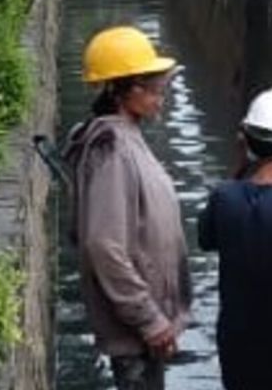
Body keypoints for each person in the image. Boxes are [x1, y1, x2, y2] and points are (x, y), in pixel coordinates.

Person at [64, 26, 189, 390]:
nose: (160, 96)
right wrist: (149, 318)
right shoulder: (112, 150)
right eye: (151, 87)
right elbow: (104, 245)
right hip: (137, 329)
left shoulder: (125, 138)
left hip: (144, 326)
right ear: (121, 90)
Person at [198, 87, 272, 390]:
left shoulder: (223, 197)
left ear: (245, 142)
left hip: (235, 347)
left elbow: (206, 239)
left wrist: (240, 165)